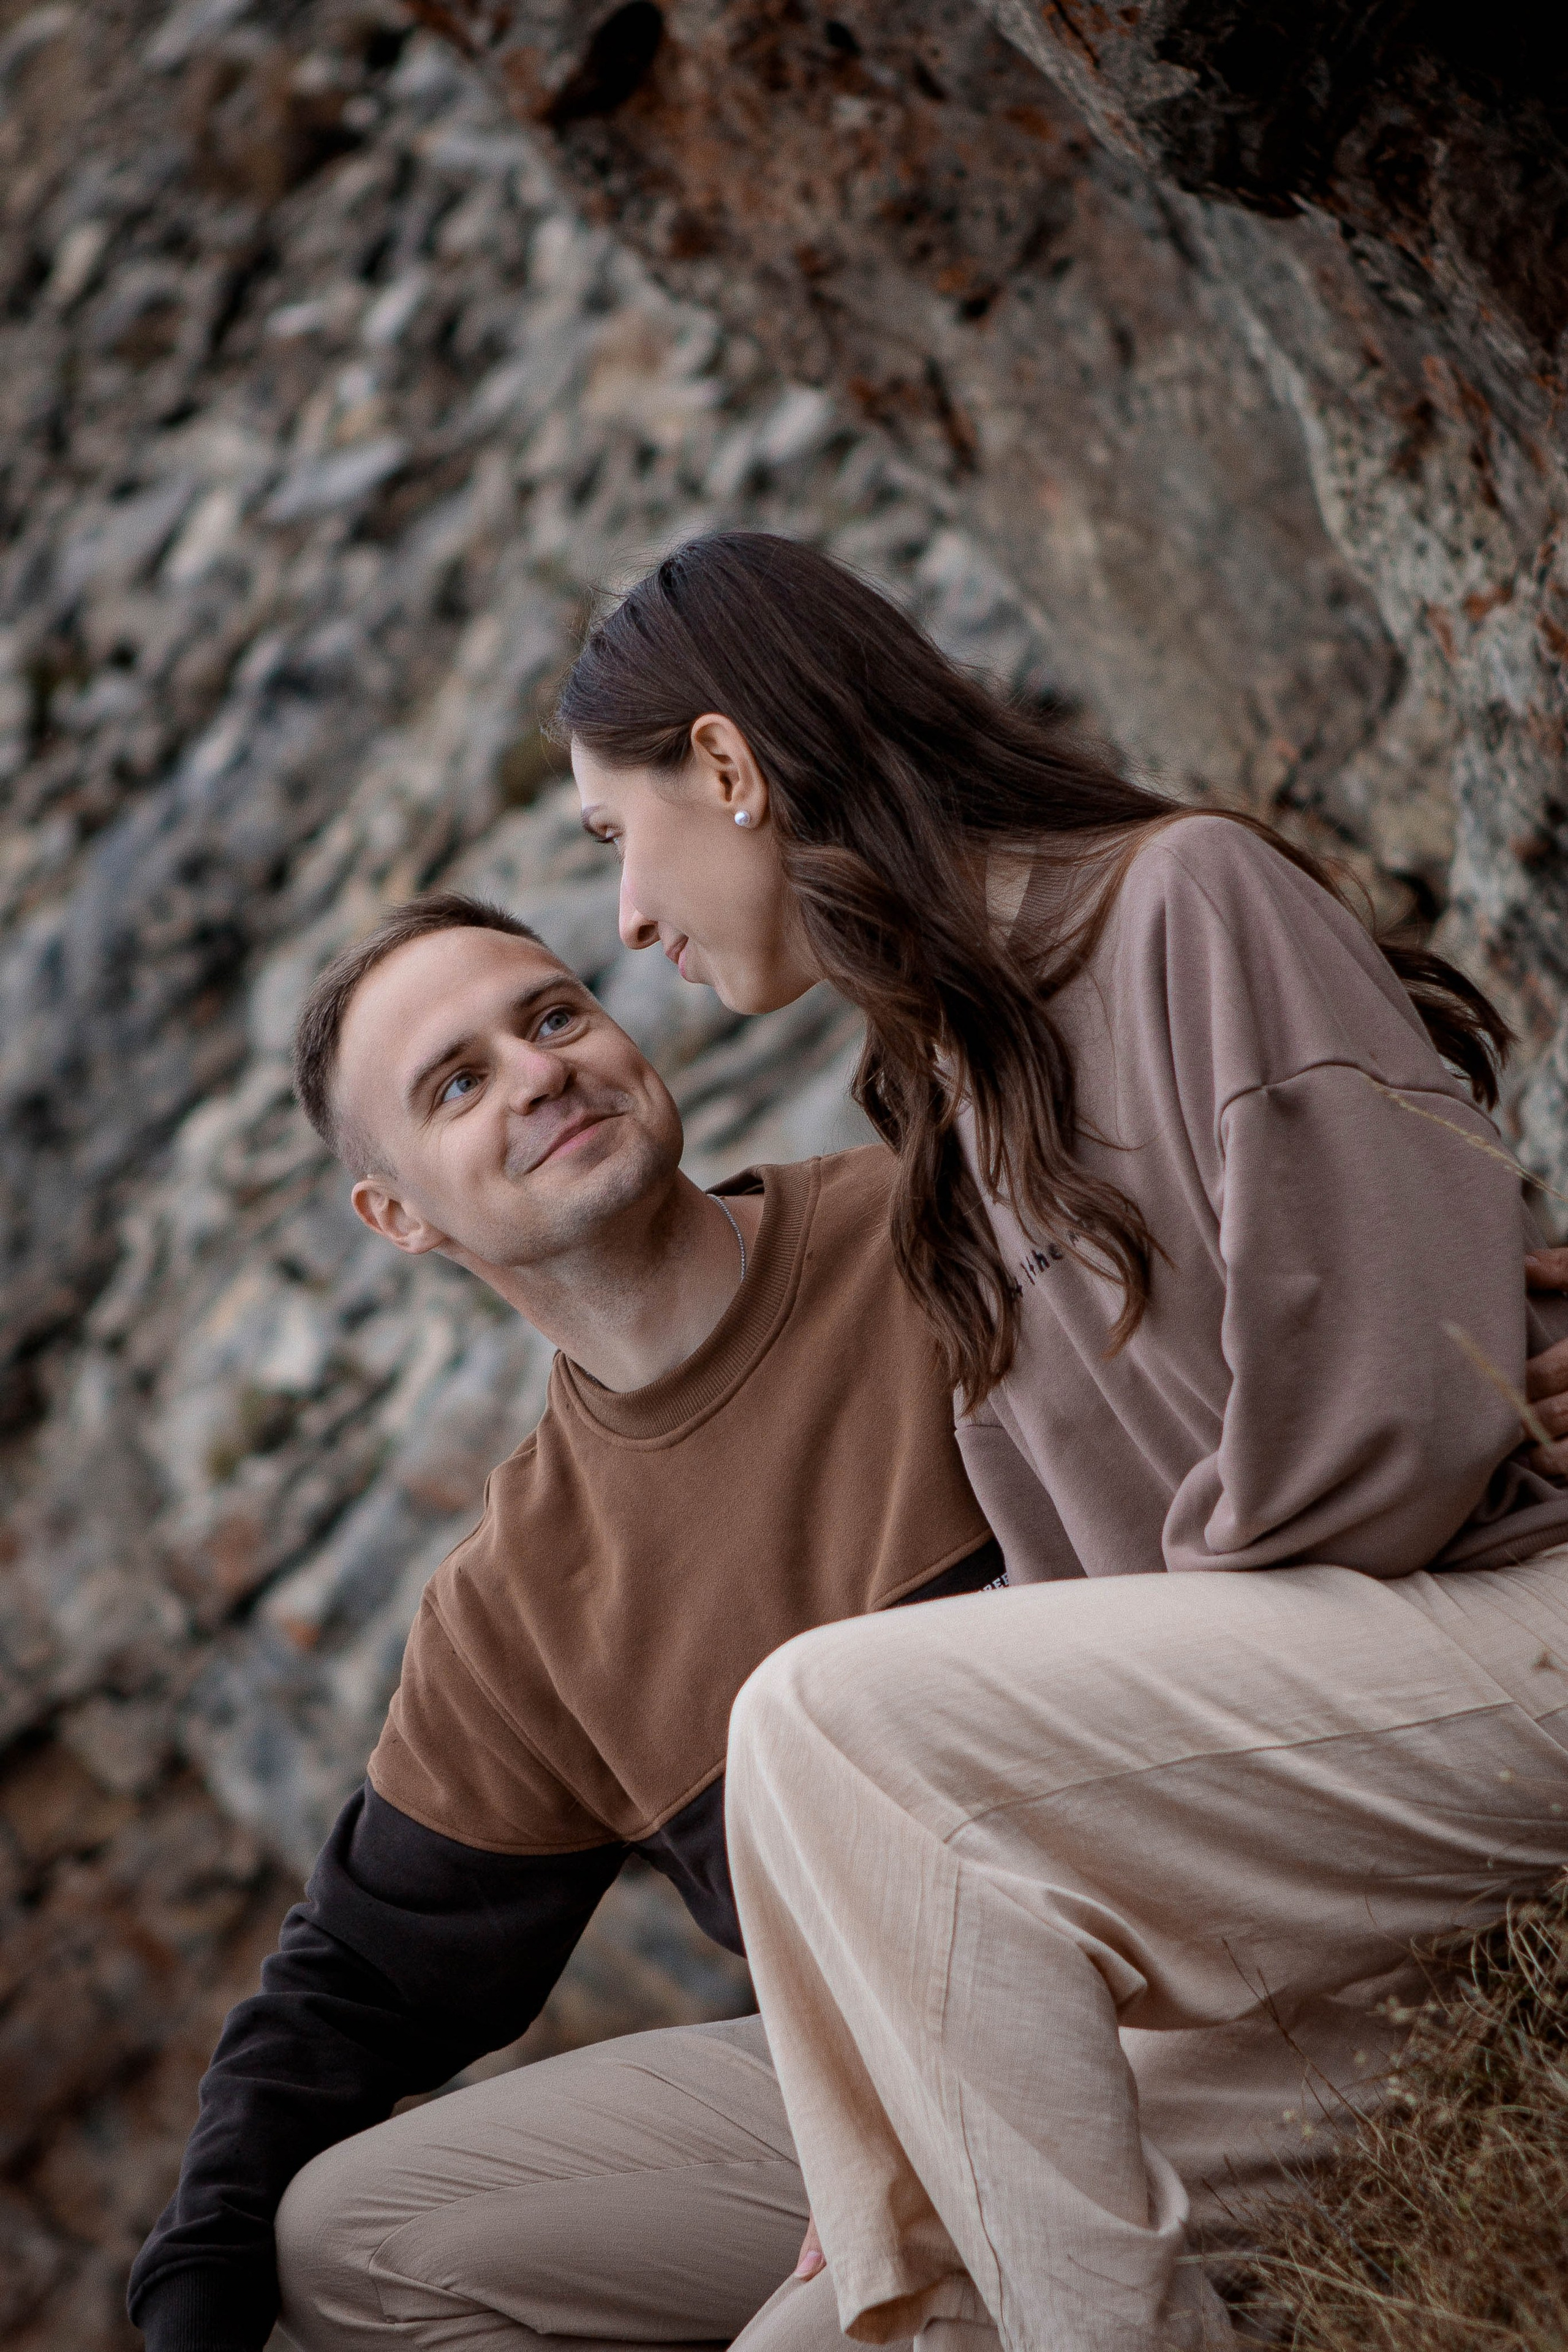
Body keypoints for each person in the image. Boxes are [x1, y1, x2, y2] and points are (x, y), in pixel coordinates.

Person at [556, 530, 1568, 2351]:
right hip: (1332, 1831)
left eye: (610, 838)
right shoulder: (950, 1114)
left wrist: (1162, 1694)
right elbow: (1097, 1633)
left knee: (813, 1716)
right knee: (845, 2327)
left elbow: (1408, 1423)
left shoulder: (1184, 899)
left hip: (1504, 1665)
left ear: (724, 767)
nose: (626, 916)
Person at [128, 889, 1015, 2352]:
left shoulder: (933, 1218)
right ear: (396, 1214)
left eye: (553, 1016)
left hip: (1179, 1962)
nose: (539, 1071)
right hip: (899, 2074)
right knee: (346, 2241)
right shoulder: (520, 1600)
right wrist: (188, 2293)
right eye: (457, 1083)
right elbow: (352, 1985)